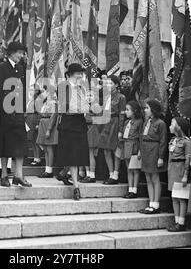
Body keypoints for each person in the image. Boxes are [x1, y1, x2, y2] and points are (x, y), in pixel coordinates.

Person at [0, 42, 32, 188]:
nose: (21, 55)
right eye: (19, 53)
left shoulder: (20, 69)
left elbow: (23, 90)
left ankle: (18, 175)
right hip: (4, 111)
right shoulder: (1, 68)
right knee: (5, 145)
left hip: (18, 112)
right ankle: (4, 175)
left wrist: (24, 108)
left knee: (21, 143)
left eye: (22, 53)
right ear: (11, 53)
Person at [55, 63, 90, 200]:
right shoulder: (63, 86)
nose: (80, 76)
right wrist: (82, 107)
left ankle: (64, 172)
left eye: (81, 73)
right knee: (73, 155)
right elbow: (65, 107)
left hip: (80, 124)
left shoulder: (82, 88)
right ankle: (76, 187)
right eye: (78, 73)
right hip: (68, 125)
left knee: (78, 154)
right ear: (70, 74)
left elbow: (88, 105)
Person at [139, 99, 168, 215]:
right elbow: (142, 137)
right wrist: (140, 151)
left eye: (147, 108)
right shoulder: (146, 122)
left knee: (155, 178)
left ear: (153, 110)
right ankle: (151, 203)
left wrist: (161, 157)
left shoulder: (160, 123)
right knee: (148, 178)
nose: (145, 110)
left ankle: (156, 204)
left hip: (154, 150)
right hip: (146, 150)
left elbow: (163, 141)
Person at [98, 75, 126, 185]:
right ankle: (110, 173)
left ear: (117, 85)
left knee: (115, 149)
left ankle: (116, 174)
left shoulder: (121, 97)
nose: (108, 86)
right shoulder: (106, 97)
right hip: (106, 123)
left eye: (111, 84)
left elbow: (122, 114)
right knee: (106, 149)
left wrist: (120, 129)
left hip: (115, 122)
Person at [166, 117, 191, 232]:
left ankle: (181, 222)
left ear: (179, 127)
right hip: (172, 170)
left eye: (172, 124)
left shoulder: (186, 142)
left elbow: (188, 159)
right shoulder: (173, 140)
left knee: (181, 198)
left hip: (180, 169)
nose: (170, 126)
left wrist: (186, 174)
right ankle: (176, 221)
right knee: (174, 197)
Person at [116, 101, 143, 199]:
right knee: (129, 169)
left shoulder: (139, 122)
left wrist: (140, 150)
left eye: (128, 110)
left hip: (135, 146)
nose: (126, 112)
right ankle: (129, 189)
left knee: (134, 169)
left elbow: (140, 137)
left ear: (134, 111)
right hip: (126, 145)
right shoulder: (127, 122)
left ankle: (134, 190)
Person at [36, 86, 59, 178]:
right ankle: (47, 169)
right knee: (45, 148)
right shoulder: (46, 102)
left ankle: (50, 170)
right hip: (43, 123)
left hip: (49, 123)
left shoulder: (53, 103)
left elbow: (53, 116)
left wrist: (49, 129)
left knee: (49, 148)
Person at [26, 87, 43, 167]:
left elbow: (40, 112)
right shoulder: (31, 100)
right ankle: (35, 158)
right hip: (29, 120)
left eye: (33, 90)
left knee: (36, 141)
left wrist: (38, 123)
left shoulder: (38, 100)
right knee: (32, 141)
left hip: (34, 120)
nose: (31, 91)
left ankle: (38, 158)